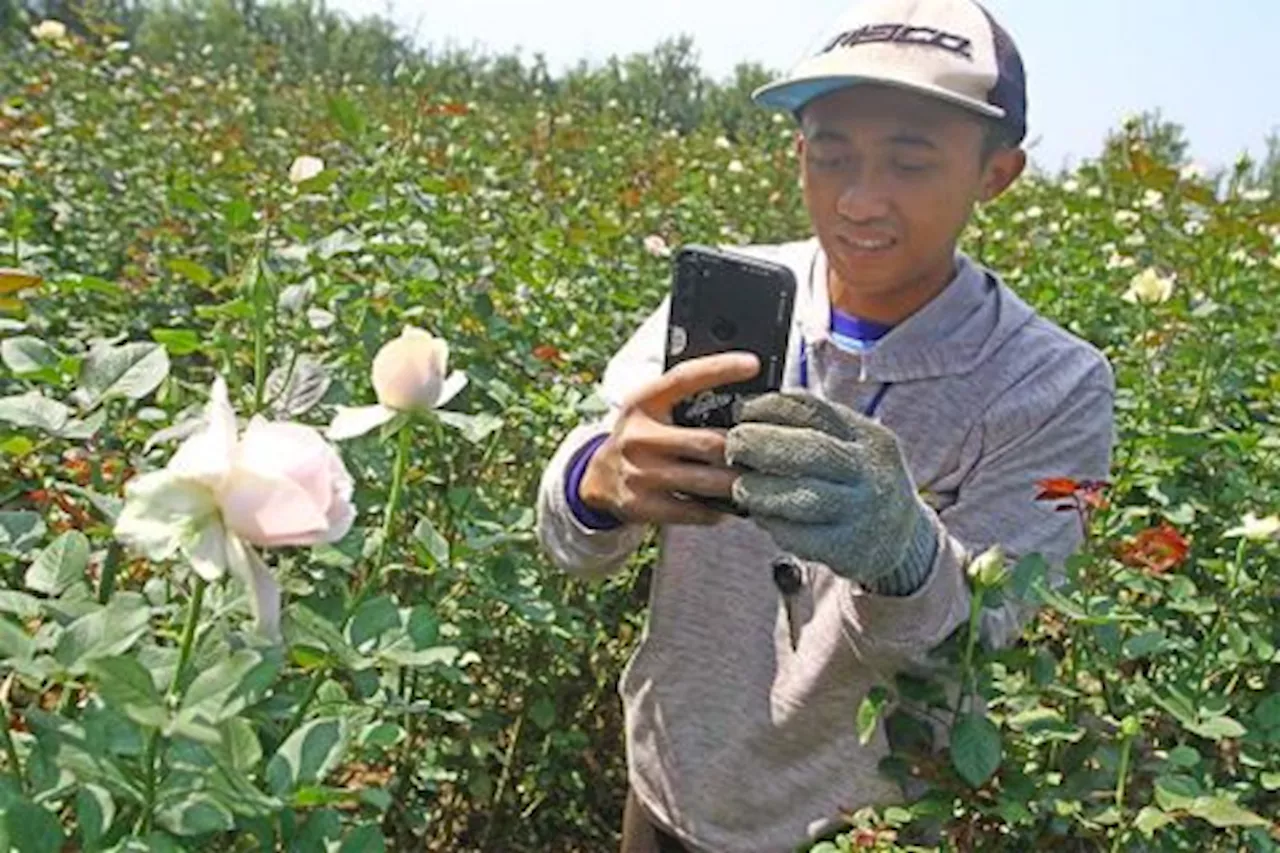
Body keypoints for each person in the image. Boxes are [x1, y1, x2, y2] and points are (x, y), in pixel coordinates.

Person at [536, 0, 1115, 850]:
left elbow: (988, 637)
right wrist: (596, 481)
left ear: (998, 172)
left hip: (863, 825)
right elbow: (571, 529)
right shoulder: (734, 294)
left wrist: (906, 556)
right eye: (830, 154)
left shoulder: (1052, 384)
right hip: (667, 783)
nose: (858, 200)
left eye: (910, 162)